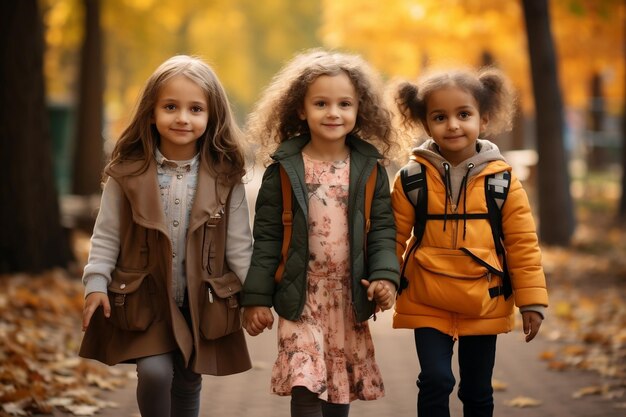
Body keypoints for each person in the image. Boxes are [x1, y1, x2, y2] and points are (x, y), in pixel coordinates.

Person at [79, 55, 253, 417]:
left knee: (188, 379)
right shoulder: (126, 173)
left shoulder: (225, 178)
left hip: (200, 301)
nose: (182, 118)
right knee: (155, 373)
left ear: (211, 116)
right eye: (171, 106)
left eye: (195, 109)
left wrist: (256, 296)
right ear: (151, 112)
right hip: (146, 298)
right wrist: (96, 283)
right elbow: (107, 233)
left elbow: (239, 245)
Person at [241, 49, 401, 417]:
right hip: (301, 294)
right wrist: (256, 297)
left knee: (338, 387)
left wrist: (385, 278)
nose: (333, 113)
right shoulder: (283, 170)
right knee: (305, 383)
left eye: (344, 103)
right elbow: (266, 238)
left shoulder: (371, 169)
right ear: (301, 109)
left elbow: (381, 231)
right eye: (321, 103)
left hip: (348, 296)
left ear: (360, 108)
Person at [390, 66, 549, 417]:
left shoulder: (503, 181)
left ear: (484, 117)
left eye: (464, 114)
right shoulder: (411, 179)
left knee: (476, 391)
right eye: (439, 116)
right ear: (425, 123)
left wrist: (532, 302)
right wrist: (383, 282)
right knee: (435, 380)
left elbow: (523, 244)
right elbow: (391, 238)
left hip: (484, 298)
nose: (453, 125)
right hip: (427, 296)